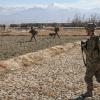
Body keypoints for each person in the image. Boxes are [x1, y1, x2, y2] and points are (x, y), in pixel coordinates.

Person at [80, 23, 100, 99]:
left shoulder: (96, 38)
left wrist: (84, 47)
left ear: (90, 30)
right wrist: (84, 45)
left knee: (87, 78)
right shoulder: (89, 37)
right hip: (93, 62)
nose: (86, 31)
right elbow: (87, 49)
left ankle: (89, 93)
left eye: (87, 29)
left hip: (94, 62)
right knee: (99, 78)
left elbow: (91, 51)